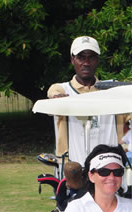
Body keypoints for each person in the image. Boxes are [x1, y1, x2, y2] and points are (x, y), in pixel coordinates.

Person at [47, 36, 117, 166]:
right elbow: (53, 91)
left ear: (97, 60)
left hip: (106, 168)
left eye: (91, 57)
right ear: (72, 60)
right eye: (81, 57)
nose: (86, 62)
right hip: (72, 168)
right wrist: (56, 97)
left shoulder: (111, 91)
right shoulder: (64, 89)